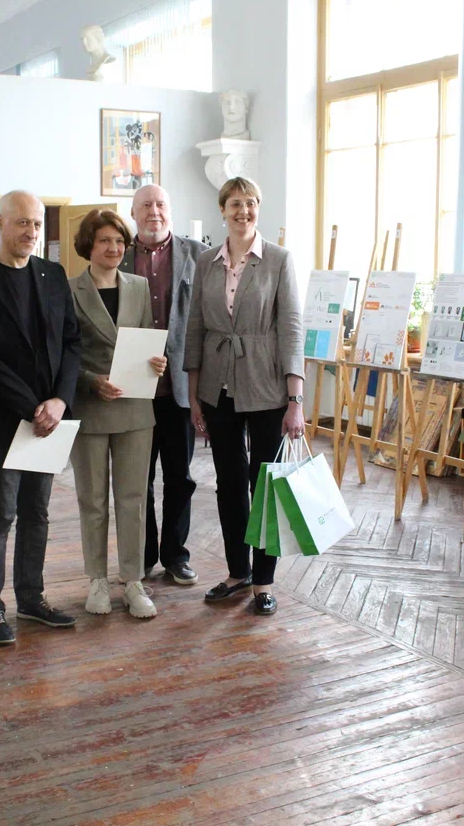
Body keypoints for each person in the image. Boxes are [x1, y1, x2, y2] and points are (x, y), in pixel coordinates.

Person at [0, 190, 82, 645]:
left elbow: (72, 343)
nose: (31, 232)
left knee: (37, 513)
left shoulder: (53, 275)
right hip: (4, 419)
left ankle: (31, 597)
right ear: (0, 224)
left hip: (50, 419)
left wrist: (60, 401)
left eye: (37, 224)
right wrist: (34, 407)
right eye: (22, 222)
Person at [184, 176, 305, 616]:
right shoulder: (205, 261)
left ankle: (264, 581)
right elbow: (195, 328)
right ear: (222, 210)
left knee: (265, 484)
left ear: (258, 208)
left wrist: (295, 400)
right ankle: (238, 572)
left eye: (250, 202)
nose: (243, 211)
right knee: (229, 484)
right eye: (235, 203)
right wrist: (194, 395)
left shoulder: (278, 259)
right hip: (218, 387)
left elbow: (291, 328)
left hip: (267, 386)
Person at [69, 209, 167, 618]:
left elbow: (146, 342)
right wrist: (92, 381)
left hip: (135, 407)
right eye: (105, 240)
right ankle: (96, 580)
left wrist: (157, 361)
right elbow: (64, 354)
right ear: (89, 245)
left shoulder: (139, 286)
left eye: (119, 241)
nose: (113, 248)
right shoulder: (69, 290)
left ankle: (133, 581)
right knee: (92, 500)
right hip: (90, 407)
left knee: (133, 499)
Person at [119, 184, 200, 586]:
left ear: (171, 210)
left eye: (161, 204)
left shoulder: (198, 255)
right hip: (133, 389)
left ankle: (176, 555)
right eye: (146, 205)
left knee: (180, 478)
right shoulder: (118, 255)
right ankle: (144, 555)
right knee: (138, 479)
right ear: (133, 213)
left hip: (180, 389)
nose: (154, 211)